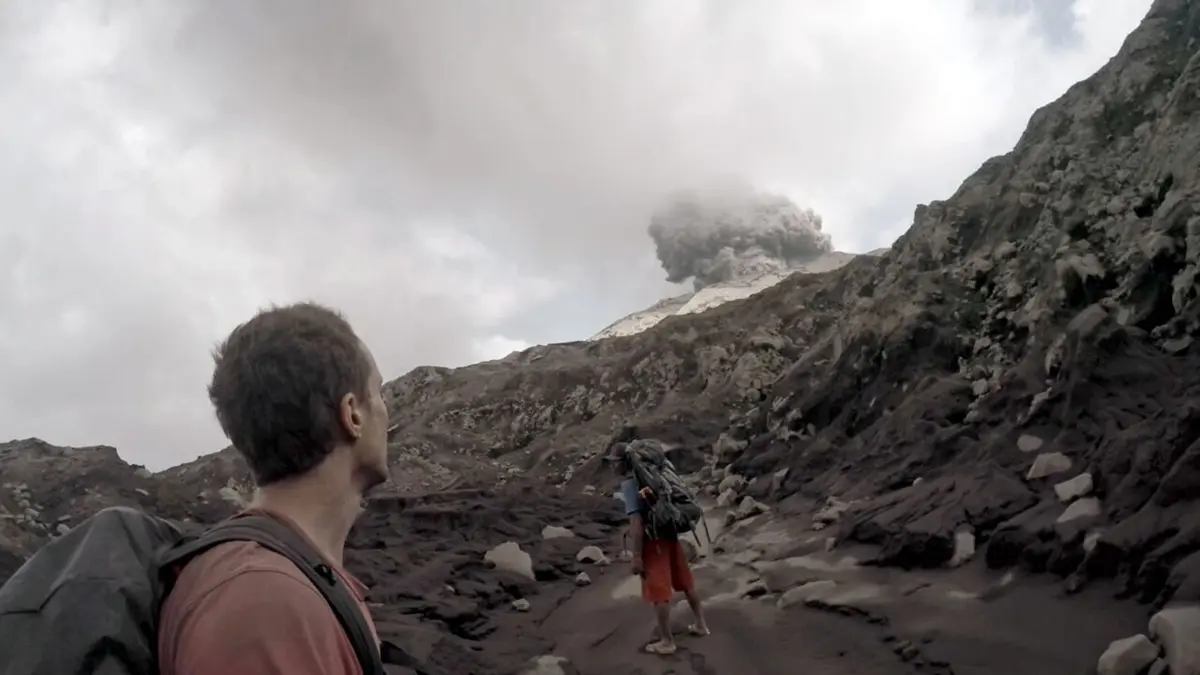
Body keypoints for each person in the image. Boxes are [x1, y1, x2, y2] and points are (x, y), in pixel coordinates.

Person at [158, 302, 392, 675]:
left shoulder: (281, 583)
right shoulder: (266, 603)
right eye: (379, 393)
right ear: (352, 415)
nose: (386, 411)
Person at [606, 442, 709, 656]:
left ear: (623, 463)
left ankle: (666, 641)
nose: (612, 467)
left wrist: (636, 556)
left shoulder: (630, 484)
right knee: (686, 583)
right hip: (670, 535)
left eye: (614, 463)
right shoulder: (656, 475)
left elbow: (637, 522)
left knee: (659, 593)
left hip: (654, 543)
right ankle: (701, 625)